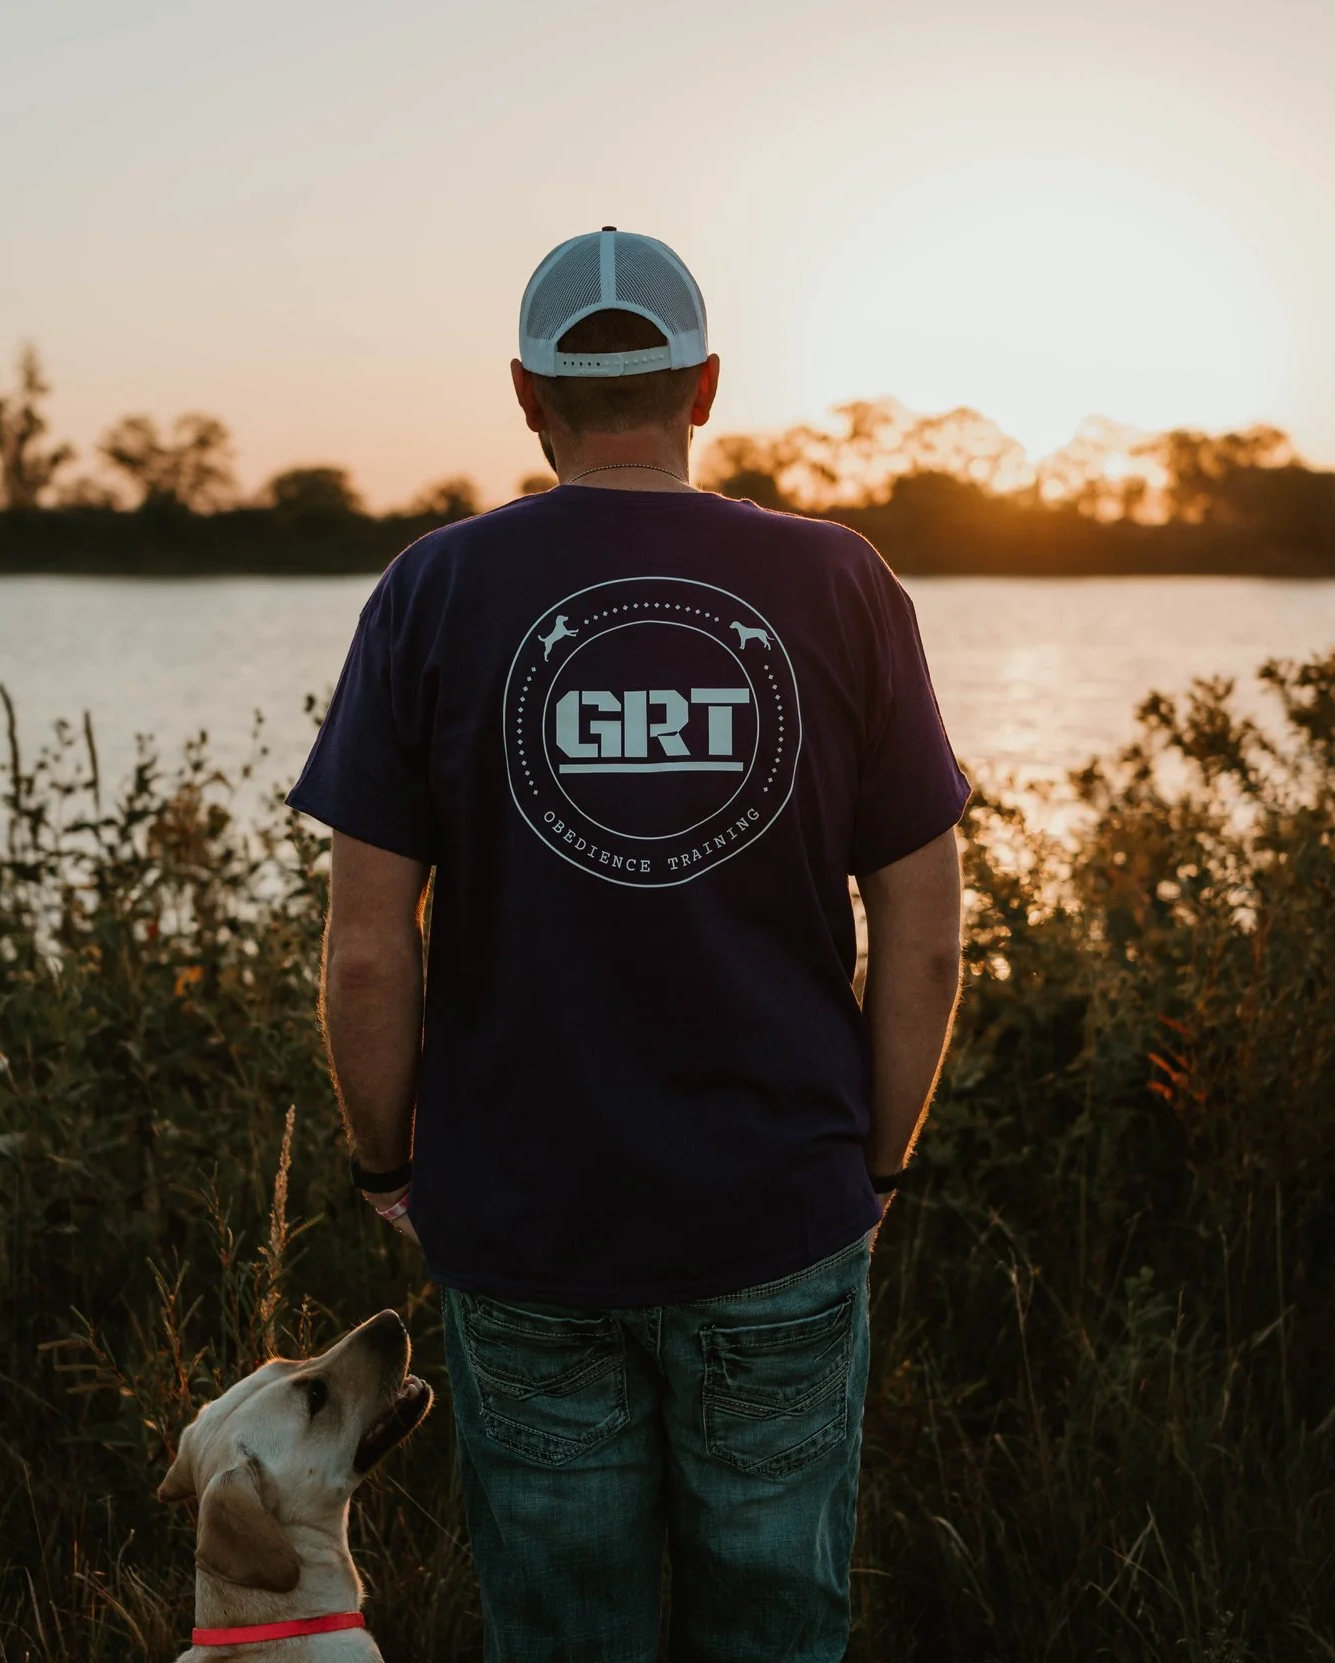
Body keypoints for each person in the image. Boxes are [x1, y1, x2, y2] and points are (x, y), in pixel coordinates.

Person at [286, 227, 968, 1663]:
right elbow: (922, 939)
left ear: (528, 395)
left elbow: (363, 947)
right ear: (704, 384)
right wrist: (880, 1158)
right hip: (780, 1213)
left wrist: (387, 1163)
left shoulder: (433, 589)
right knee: (775, 1632)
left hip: (527, 1227)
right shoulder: (844, 582)